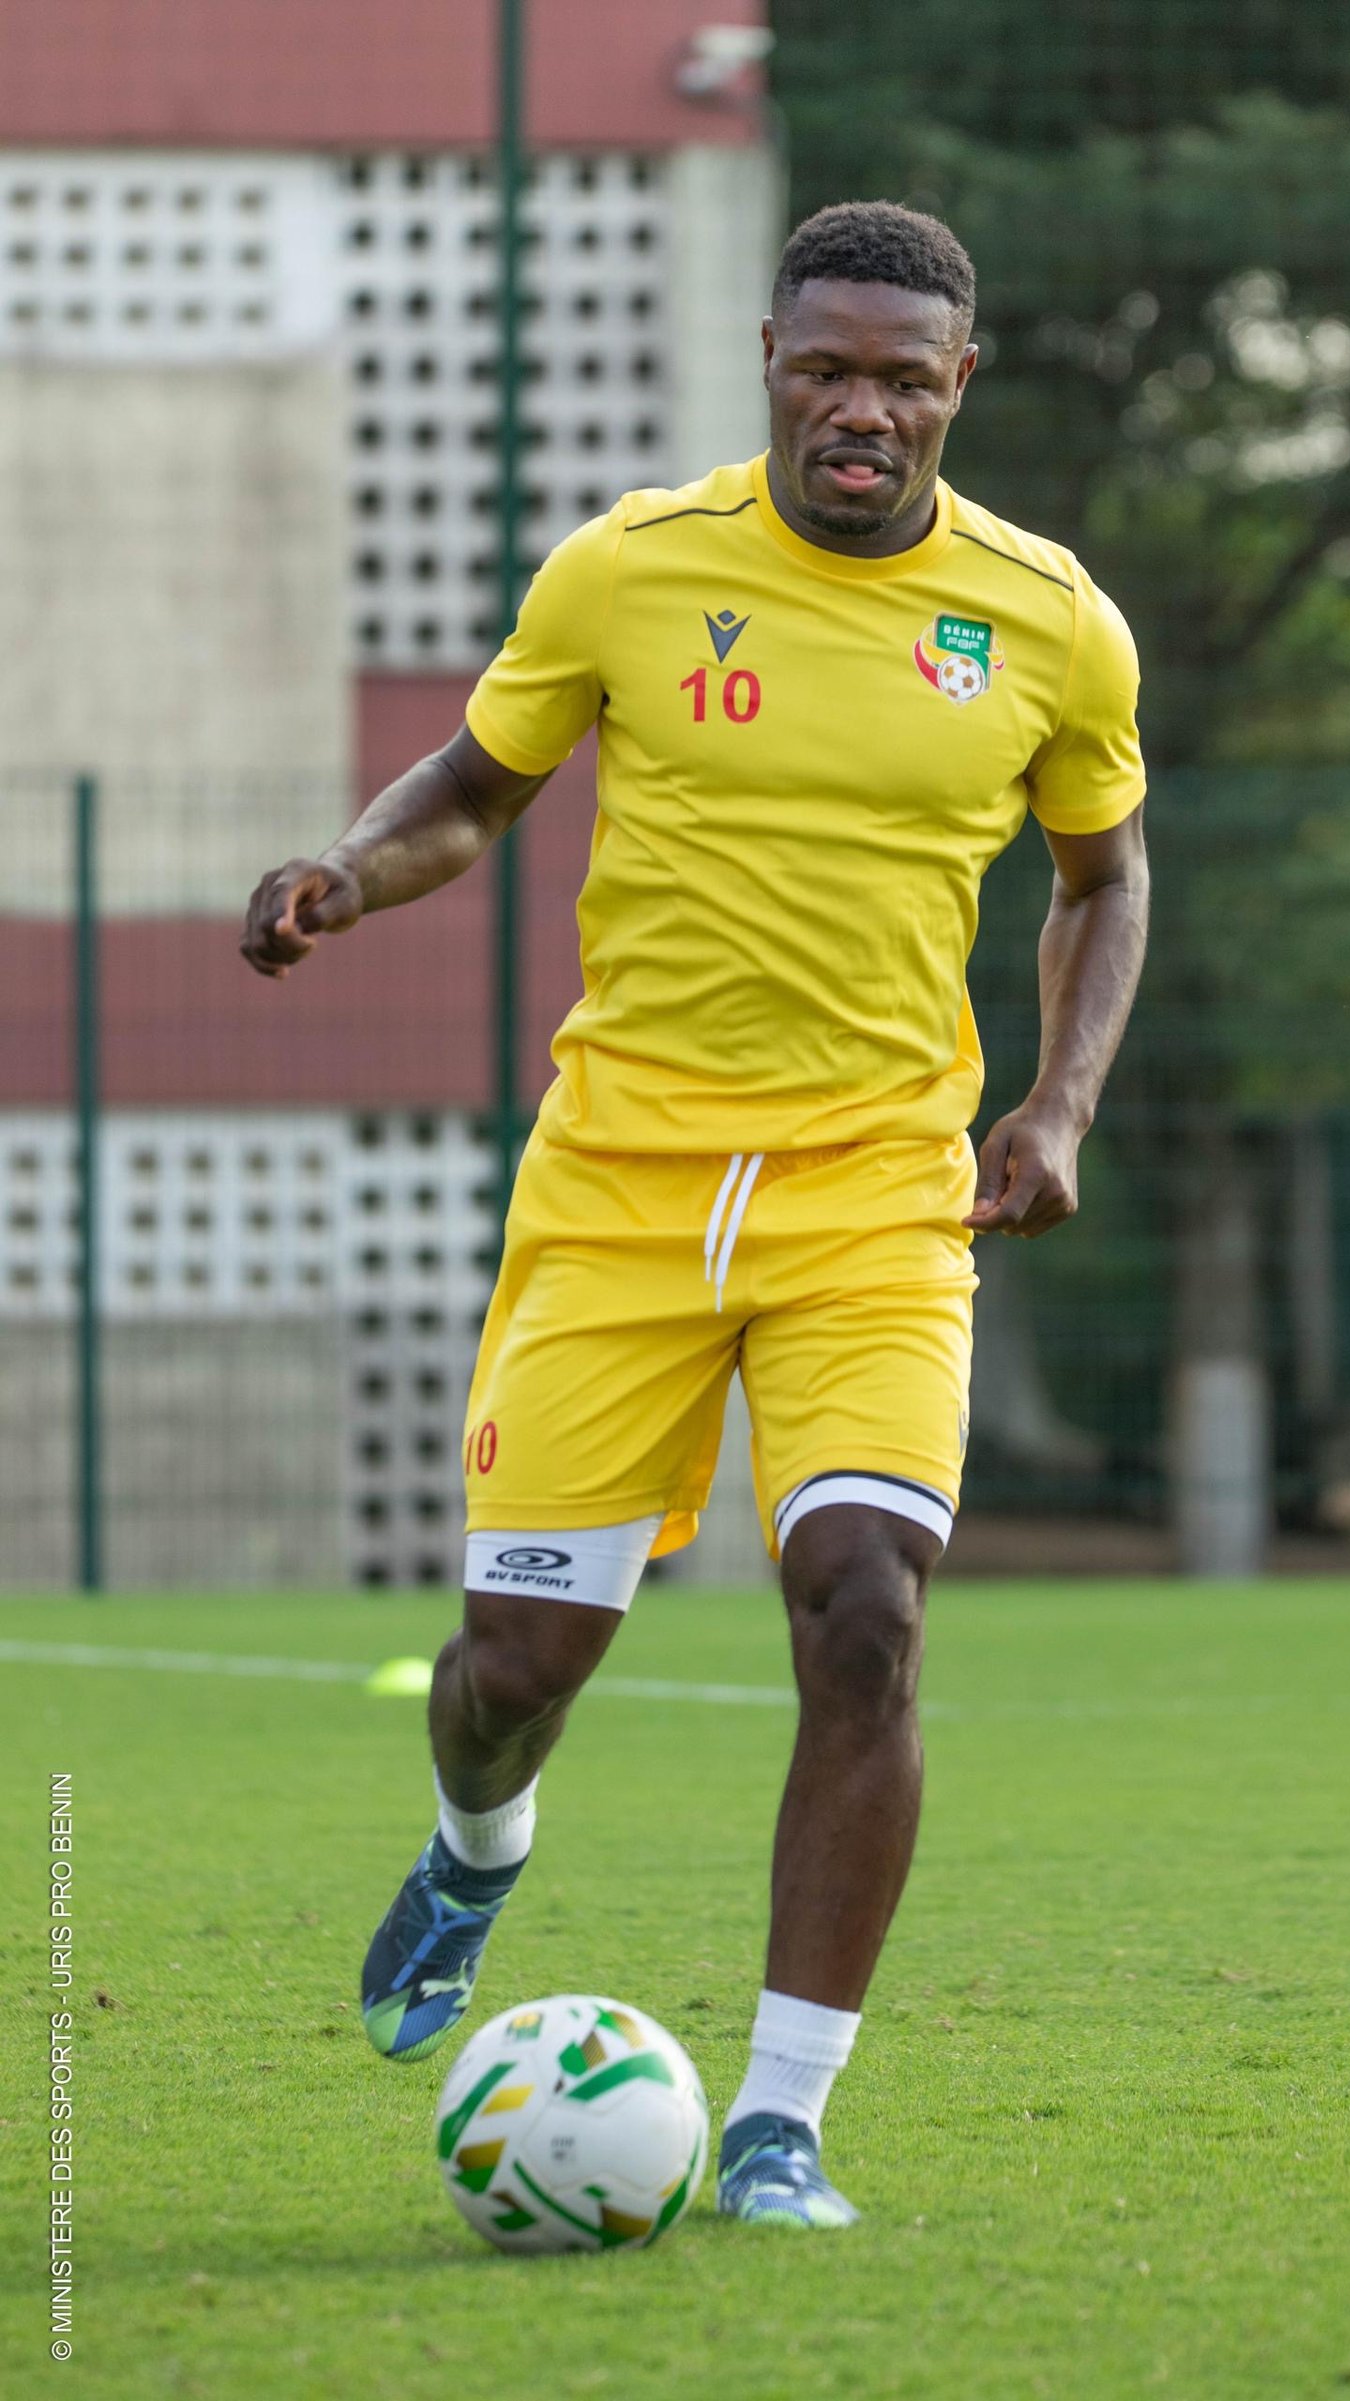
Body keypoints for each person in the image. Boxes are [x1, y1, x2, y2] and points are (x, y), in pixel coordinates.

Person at [241, 200, 1149, 2230]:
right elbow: (472, 789)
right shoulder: (631, 569)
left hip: (876, 1196)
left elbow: (1103, 875)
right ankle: (475, 1851)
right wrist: (347, 871)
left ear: (959, 384)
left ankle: (778, 2124)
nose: (859, 410)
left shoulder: (1048, 619)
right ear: (769, 361)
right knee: (516, 1663)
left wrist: (1058, 1099)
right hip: (620, 1189)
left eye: (900, 379)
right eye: (825, 370)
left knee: (865, 1612)